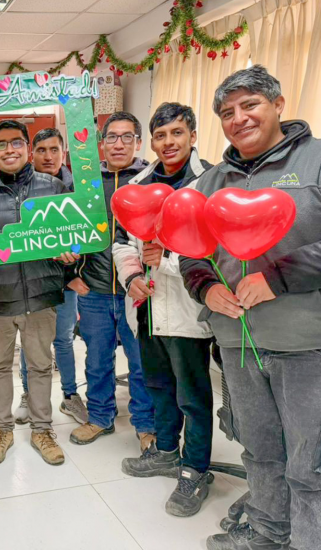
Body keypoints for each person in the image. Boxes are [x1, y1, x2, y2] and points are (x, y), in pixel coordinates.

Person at [180, 65, 321, 550]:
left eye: (250, 105)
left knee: (313, 467)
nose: (239, 118)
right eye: (227, 112)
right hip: (240, 345)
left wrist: (278, 278)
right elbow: (192, 252)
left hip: (314, 346)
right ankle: (267, 533)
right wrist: (205, 288)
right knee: (259, 452)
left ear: (278, 104)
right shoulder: (212, 181)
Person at [116, 103, 215, 518]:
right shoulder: (139, 182)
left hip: (188, 308)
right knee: (157, 385)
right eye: (160, 136)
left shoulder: (210, 181)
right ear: (151, 142)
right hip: (148, 306)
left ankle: (195, 470)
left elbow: (216, 249)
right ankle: (165, 451)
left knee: (192, 396)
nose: (169, 142)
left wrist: (167, 258)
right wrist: (131, 275)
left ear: (192, 134)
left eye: (177, 133)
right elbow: (122, 241)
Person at [0, 120, 68, 466]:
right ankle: (2, 429)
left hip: (41, 296)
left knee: (39, 366)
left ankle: (42, 430)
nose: (10, 149)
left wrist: (69, 249)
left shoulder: (53, 187)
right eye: (2, 144)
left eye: (17, 142)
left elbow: (71, 234)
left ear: (27, 148)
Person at [62, 113, 156, 451]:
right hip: (94, 289)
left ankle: (146, 425)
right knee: (97, 361)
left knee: (141, 363)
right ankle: (100, 418)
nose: (119, 144)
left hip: (139, 291)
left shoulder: (148, 180)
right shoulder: (84, 182)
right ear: (101, 143)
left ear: (138, 142)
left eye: (127, 137)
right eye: (112, 137)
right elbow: (63, 232)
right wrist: (70, 273)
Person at [14, 128, 87, 426]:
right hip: (32, 281)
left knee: (64, 341)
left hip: (68, 284)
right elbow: (22, 239)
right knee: (31, 342)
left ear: (63, 152)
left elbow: (85, 235)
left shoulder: (78, 187)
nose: (48, 156)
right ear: (32, 154)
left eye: (54, 149)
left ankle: (70, 396)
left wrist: (71, 273)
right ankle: (27, 395)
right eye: (41, 150)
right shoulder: (23, 187)